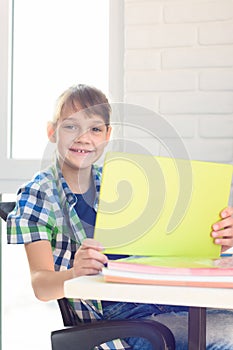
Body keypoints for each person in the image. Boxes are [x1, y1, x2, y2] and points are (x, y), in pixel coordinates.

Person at [7, 84, 233, 349]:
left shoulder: (118, 182)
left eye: (95, 129)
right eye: (70, 127)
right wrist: (74, 273)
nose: (83, 137)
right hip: (121, 319)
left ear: (107, 135)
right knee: (225, 338)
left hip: (165, 299)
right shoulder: (39, 193)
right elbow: (41, 286)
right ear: (51, 131)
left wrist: (212, 240)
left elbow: (158, 249)